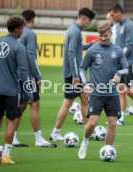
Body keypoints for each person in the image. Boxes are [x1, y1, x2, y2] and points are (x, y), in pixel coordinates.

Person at [78, 22, 128, 159]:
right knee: (92, 122)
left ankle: (107, 149)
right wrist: (85, 84)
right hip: (96, 93)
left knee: (112, 123)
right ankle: (85, 141)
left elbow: (126, 68)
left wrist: (118, 74)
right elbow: (82, 68)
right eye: (100, 36)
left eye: (105, 36)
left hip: (112, 94)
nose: (103, 38)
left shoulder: (117, 50)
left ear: (110, 34)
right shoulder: (92, 50)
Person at [0, 16, 33, 164]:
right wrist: (29, 93)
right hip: (11, 91)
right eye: (22, 28)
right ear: (18, 28)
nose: (23, 31)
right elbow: (24, 72)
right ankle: (6, 156)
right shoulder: (19, 47)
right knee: (11, 122)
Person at [49, 8, 96, 141]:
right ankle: (55, 133)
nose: (89, 23)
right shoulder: (75, 31)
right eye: (89, 20)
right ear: (83, 18)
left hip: (73, 73)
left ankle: (88, 130)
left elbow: (77, 48)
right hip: (73, 74)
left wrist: (89, 45)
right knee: (68, 103)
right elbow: (71, 53)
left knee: (84, 99)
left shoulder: (73, 29)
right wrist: (76, 75)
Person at [12, 9, 55, 147]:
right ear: (33, 19)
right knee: (34, 104)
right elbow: (31, 56)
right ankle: (38, 139)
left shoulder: (16, 33)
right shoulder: (30, 34)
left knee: (22, 105)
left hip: (16, 73)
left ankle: (12, 136)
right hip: (28, 75)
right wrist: (38, 75)